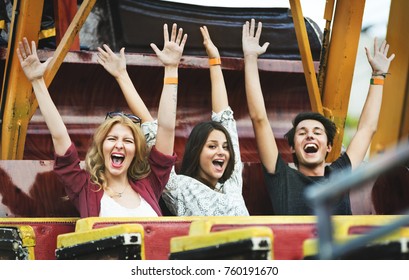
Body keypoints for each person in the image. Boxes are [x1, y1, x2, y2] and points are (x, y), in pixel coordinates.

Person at [16, 23, 187, 218]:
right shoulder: (83, 186)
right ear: (101, 146)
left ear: (136, 152)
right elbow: (59, 135)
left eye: (128, 141)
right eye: (112, 139)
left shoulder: (151, 183)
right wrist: (37, 82)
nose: (120, 145)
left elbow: (166, 129)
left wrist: (172, 69)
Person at [242, 18, 395, 215]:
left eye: (317, 132)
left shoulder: (340, 173)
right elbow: (259, 119)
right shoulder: (282, 178)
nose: (310, 136)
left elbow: (367, 129)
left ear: (329, 147)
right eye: (302, 133)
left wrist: (379, 76)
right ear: (293, 148)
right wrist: (251, 58)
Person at [98, 26, 249, 216]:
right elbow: (156, 129)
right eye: (212, 146)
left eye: (225, 147)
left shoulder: (232, 182)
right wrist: (122, 76)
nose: (221, 152)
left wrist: (215, 61)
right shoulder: (180, 188)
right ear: (196, 151)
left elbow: (225, 119)